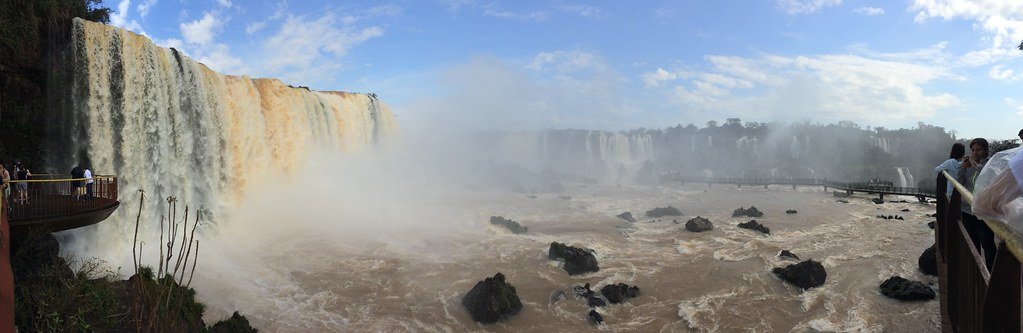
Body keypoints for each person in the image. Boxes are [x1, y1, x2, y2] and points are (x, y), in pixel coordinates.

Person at [957, 138, 996, 271]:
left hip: (983, 212)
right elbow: (959, 182)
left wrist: (977, 167)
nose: (975, 153)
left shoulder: (990, 164)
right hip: (967, 210)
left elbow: (990, 180)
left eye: (978, 150)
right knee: (972, 244)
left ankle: (992, 276)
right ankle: (976, 271)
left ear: (985, 150)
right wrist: (962, 168)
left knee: (988, 245)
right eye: (973, 150)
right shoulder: (968, 166)